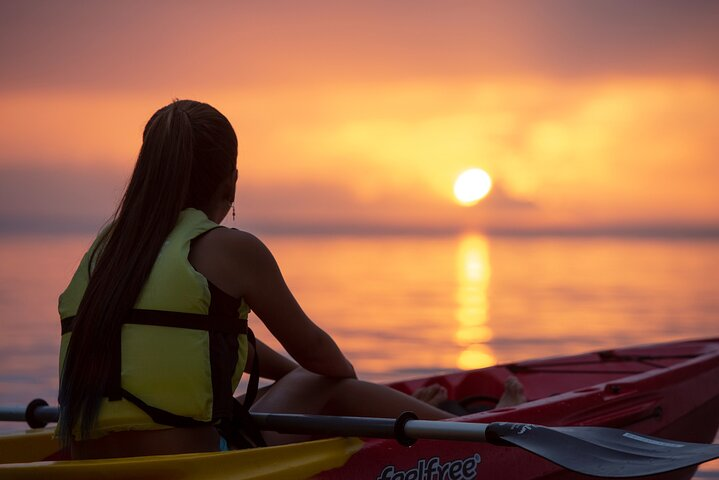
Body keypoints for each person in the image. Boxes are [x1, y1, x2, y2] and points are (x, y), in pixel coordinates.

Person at [57, 100, 524, 459]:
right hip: (196, 466)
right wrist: (326, 388)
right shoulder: (232, 248)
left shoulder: (109, 250)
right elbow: (328, 364)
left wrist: (286, 376)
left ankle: (421, 415)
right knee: (328, 388)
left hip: (94, 462)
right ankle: (472, 432)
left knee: (288, 387)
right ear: (230, 182)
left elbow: (184, 340)